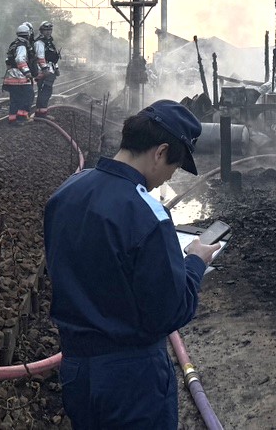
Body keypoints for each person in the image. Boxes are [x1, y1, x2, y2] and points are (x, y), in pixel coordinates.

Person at [44, 100, 220, 428]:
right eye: (175, 165)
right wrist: (195, 263)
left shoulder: (66, 193)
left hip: (77, 370)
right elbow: (170, 312)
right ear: (160, 151)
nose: (169, 175)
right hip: (132, 377)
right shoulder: (148, 215)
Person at [3, 23, 35, 124]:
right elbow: (20, 59)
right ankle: (22, 117)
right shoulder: (22, 45)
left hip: (11, 76)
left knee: (15, 99)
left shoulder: (14, 44)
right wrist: (27, 72)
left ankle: (12, 120)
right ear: (28, 34)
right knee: (28, 96)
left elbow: (8, 60)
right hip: (20, 77)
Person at [33, 21, 60, 117]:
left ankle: (41, 112)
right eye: (46, 30)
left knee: (46, 91)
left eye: (49, 30)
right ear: (41, 31)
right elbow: (40, 56)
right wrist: (44, 69)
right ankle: (41, 114)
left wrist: (56, 68)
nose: (48, 32)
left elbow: (53, 57)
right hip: (44, 71)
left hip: (50, 70)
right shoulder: (39, 43)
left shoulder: (50, 43)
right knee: (45, 91)